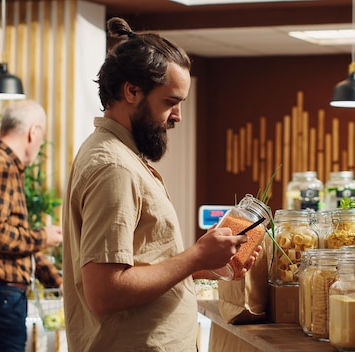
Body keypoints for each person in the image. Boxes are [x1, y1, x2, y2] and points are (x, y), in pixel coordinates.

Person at [62, 17, 259, 351]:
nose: (178, 116)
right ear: (132, 91)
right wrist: (196, 256)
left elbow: (141, 267)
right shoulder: (114, 166)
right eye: (171, 102)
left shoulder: (120, 156)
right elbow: (106, 292)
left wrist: (207, 266)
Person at [0, 100, 64, 352]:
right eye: (41, 138)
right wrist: (41, 237)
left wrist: (56, 280)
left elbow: (10, 240)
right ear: (33, 132)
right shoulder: (1, 165)